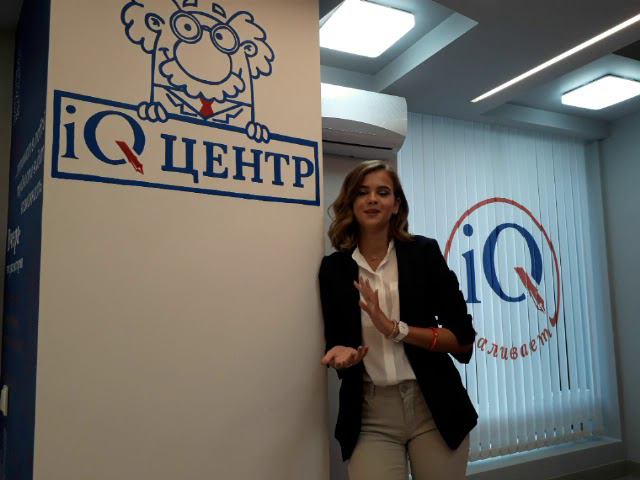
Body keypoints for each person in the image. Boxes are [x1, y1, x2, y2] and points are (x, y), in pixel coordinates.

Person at [319, 160, 477, 480]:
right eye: (362, 192)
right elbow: (338, 341)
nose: (372, 199)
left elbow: (462, 338)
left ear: (396, 205)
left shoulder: (424, 253)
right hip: (369, 414)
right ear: (351, 202)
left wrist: (395, 329)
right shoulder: (334, 269)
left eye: (383, 192)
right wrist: (342, 357)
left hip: (433, 406)